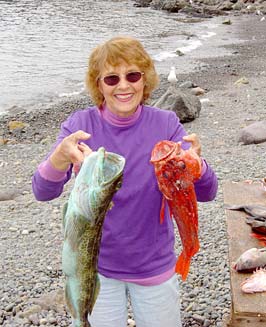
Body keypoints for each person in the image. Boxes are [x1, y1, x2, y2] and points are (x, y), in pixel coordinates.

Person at [32, 36, 218, 327]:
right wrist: (59, 158)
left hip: (155, 266)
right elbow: (43, 192)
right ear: (98, 84)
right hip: (95, 269)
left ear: (145, 79)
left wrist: (197, 165)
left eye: (132, 75)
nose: (123, 85)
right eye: (111, 78)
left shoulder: (166, 124)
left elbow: (207, 192)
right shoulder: (79, 127)